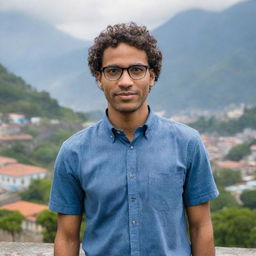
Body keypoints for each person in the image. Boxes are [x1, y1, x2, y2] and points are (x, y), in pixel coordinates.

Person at [49, 22, 219, 256]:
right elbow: (67, 238)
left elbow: (201, 228)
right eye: (113, 71)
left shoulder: (187, 143)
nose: (125, 81)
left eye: (137, 70)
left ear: (152, 76)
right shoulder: (73, 152)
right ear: (99, 78)